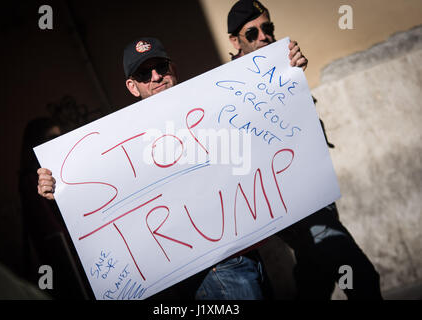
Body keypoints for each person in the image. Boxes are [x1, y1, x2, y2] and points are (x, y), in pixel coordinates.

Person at [37, 36, 309, 300]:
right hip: (208, 271)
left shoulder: (213, 106)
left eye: (160, 67)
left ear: (172, 68)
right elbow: (97, 202)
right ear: (133, 87)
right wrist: (57, 190)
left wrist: (287, 76)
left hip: (245, 254)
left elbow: (261, 129)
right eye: (144, 73)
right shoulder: (122, 144)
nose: (156, 76)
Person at [226, 0, 382, 300]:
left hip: (316, 197)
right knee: (360, 277)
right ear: (235, 41)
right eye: (252, 32)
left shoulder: (282, 68)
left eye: (268, 28)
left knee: (315, 279)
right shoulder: (230, 86)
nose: (264, 36)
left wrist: (295, 80)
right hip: (293, 207)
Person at [19, 117, 90, 299]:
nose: (56, 144)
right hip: (66, 257)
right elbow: (50, 228)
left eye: (59, 137)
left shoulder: (61, 169)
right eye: (49, 139)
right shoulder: (33, 178)